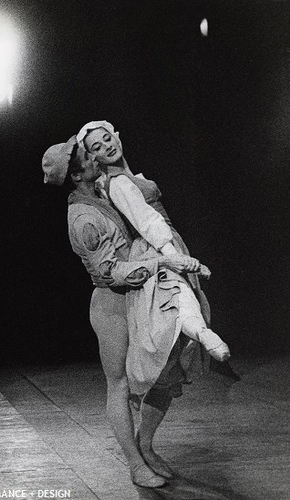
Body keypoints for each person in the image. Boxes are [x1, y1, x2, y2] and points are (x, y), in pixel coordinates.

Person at [42, 136, 203, 489]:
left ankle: (145, 445)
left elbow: (145, 200)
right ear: (77, 174)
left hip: (140, 294)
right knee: (120, 385)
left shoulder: (103, 191)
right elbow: (111, 272)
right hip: (113, 303)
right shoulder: (82, 218)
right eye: (88, 155)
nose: (96, 156)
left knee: (166, 371)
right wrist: (162, 259)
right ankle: (134, 462)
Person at [77, 120, 230, 366]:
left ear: (116, 137)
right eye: (97, 147)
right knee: (176, 293)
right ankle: (203, 334)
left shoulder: (126, 176)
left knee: (181, 293)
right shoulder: (118, 183)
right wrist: (173, 254)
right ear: (93, 157)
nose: (106, 146)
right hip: (154, 243)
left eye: (107, 139)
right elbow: (146, 220)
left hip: (165, 238)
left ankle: (200, 334)